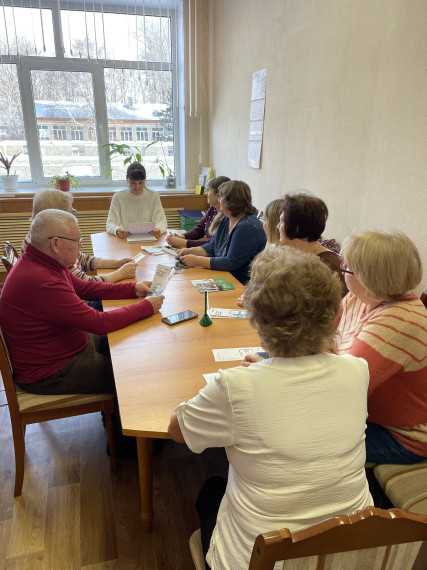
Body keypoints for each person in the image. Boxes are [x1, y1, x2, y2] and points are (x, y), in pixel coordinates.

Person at [168, 246, 372, 570]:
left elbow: (176, 431)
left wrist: (247, 382)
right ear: (333, 315)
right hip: (352, 554)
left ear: (257, 319)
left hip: (261, 560)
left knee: (209, 492)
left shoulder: (235, 387)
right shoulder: (358, 369)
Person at [0, 209, 164, 394]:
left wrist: (132, 289)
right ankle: (124, 420)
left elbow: (86, 288)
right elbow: (99, 323)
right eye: (77, 241)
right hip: (51, 371)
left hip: (65, 345)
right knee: (132, 374)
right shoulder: (42, 280)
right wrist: (146, 307)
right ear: (55, 243)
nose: (80, 247)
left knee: (129, 345)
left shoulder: (46, 261)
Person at [335, 230, 427, 464]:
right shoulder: (360, 297)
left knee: (301, 441)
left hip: (402, 436)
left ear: (368, 277)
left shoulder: (398, 321)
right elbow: (321, 332)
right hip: (365, 413)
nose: (342, 269)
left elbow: (342, 387)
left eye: (347, 268)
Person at [21, 188, 137, 283]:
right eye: (72, 212)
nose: (74, 216)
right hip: (79, 300)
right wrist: (121, 274)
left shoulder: (39, 235)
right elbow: (86, 285)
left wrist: (117, 263)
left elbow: (82, 259)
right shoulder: (49, 248)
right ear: (56, 217)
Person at [176, 180, 266, 284]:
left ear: (230, 201)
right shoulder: (226, 218)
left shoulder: (247, 226)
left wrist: (196, 260)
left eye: (220, 197)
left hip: (241, 283)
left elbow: (230, 262)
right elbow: (213, 245)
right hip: (225, 275)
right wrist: (190, 251)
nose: (218, 200)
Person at [236, 198, 280, 306]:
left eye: (265, 220)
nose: (262, 225)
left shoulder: (286, 254)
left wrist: (254, 301)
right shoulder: (272, 243)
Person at [166, 176, 231, 248]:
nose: (206, 193)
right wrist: (181, 237)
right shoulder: (213, 208)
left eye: (209, 190)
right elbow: (199, 229)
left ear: (218, 195)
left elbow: (213, 244)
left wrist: (183, 242)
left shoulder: (228, 216)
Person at [106, 162, 167, 239]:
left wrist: (159, 229)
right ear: (127, 180)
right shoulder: (118, 197)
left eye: (140, 183)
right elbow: (110, 224)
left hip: (149, 239)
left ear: (145, 180)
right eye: (133, 183)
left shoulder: (153, 196)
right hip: (127, 240)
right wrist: (117, 230)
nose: (137, 187)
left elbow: (161, 221)